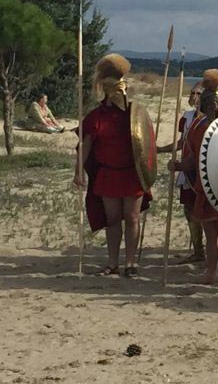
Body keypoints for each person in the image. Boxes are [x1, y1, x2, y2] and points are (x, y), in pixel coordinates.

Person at [74, 54, 147, 278]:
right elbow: (84, 146)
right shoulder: (96, 116)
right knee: (113, 220)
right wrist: (78, 172)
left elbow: (145, 144)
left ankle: (131, 263)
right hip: (108, 174)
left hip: (132, 174)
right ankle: (113, 262)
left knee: (133, 218)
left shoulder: (135, 115)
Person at [169, 70, 218, 287]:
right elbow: (192, 159)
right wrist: (179, 165)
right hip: (204, 186)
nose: (212, 108)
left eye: (214, 105)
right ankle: (210, 272)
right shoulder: (197, 128)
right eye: (208, 105)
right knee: (210, 233)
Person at [161, 82, 206, 264]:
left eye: (198, 93)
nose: (194, 96)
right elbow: (182, 142)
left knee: (206, 212)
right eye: (192, 92)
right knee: (189, 210)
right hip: (187, 170)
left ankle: (211, 251)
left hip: (204, 169)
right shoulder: (186, 117)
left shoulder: (211, 118)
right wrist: (161, 150)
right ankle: (198, 250)